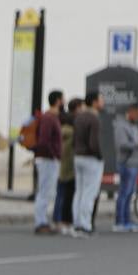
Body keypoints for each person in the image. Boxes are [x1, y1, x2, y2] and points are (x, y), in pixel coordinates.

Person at [112, 101, 138, 233]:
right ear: (131, 111)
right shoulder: (121, 126)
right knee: (124, 192)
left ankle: (127, 220)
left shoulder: (133, 125)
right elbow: (122, 144)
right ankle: (120, 221)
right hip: (127, 163)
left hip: (134, 163)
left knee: (129, 193)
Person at [71, 90, 105, 237]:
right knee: (89, 193)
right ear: (94, 102)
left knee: (79, 191)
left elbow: (74, 140)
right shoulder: (94, 118)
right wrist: (99, 156)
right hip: (91, 158)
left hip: (78, 156)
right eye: (101, 100)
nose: (103, 103)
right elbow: (93, 143)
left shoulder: (79, 117)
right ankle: (86, 225)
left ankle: (77, 224)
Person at [32, 90, 64, 234]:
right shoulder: (49, 118)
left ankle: (43, 220)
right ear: (58, 101)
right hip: (47, 160)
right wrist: (54, 155)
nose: (64, 102)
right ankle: (40, 222)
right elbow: (44, 141)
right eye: (63, 99)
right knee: (45, 191)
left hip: (49, 159)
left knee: (48, 191)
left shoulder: (51, 117)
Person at [52, 98, 81, 235]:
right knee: (67, 195)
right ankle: (63, 220)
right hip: (69, 167)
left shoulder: (61, 131)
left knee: (60, 194)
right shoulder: (72, 133)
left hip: (60, 165)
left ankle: (56, 219)